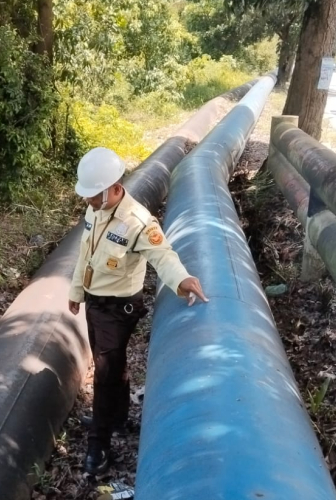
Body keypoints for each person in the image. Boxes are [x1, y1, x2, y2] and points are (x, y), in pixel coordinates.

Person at [67, 147, 208, 475]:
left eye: (93, 195)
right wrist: (76, 292)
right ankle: (117, 418)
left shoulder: (138, 222)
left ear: (114, 187)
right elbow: (83, 256)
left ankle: (98, 448)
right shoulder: (94, 212)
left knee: (103, 375)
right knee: (112, 366)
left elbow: (164, 256)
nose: (88, 201)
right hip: (95, 302)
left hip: (118, 309)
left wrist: (182, 279)